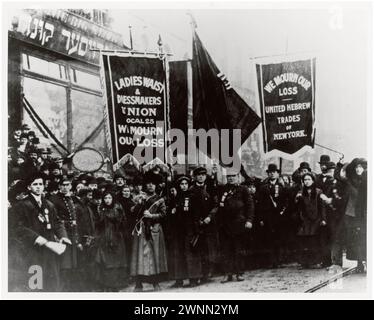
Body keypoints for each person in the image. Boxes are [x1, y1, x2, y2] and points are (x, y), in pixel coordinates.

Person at [9, 174, 67, 291]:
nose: (38, 187)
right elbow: (17, 227)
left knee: (52, 283)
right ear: (29, 187)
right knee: (35, 284)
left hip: (50, 250)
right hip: (32, 250)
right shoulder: (21, 206)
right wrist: (36, 238)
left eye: (40, 184)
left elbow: (57, 222)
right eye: (35, 184)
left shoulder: (49, 205)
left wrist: (63, 236)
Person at [130, 172, 168, 292]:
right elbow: (133, 212)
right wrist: (139, 204)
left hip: (154, 229)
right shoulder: (139, 198)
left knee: (154, 256)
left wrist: (152, 215)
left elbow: (163, 215)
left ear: (156, 186)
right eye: (148, 184)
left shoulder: (159, 200)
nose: (150, 186)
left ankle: (155, 283)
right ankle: (138, 283)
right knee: (139, 257)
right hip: (141, 230)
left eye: (153, 184)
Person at [216, 170, 254, 283]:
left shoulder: (243, 189)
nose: (231, 178)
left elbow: (250, 206)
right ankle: (227, 274)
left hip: (239, 223)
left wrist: (249, 220)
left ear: (238, 177)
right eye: (229, 176)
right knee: (226, 250)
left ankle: (239, 273)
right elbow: (219, 205)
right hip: (226, 225)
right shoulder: (222, 189)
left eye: (233, 176)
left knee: (239, 250)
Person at [49, 177, 84, 291]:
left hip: (73, 232)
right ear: (59, 186)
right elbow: (55, 219)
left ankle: (72, 286)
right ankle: (63, 288)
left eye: (67, 185)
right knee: (64, 260)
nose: (65, 187)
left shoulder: (73, 198)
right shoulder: (53, 199)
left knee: (73, 260)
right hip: (62, 233)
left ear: (70, 186)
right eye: (62, 185)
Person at [189, 166, 219, 283]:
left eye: (203, 175)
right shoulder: (191, 190)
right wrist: (197, 221)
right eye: (198, 175)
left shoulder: (211, 188)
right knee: (198, 249)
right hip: (197, 224)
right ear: (195, 177)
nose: (201, 177)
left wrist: (209, 217)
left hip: (209, 224)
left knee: (209, 248)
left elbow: (216, 205)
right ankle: (200, 274)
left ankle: (208, 273)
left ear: (205, 176)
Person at [94, 190, 128, 291]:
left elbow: (122, 221)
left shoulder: (117, 208)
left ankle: (115, 286)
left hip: (116, 237)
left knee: (116, 262)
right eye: (105, 198)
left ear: (112, 199)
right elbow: (97, 224)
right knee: (105, 262)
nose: (107, 200)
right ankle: (107, 285)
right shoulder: (101, 209)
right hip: (104, 238)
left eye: (109, 198)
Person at [257, 164, 288, 268]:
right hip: (267, 216)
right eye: (270, 172)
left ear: (278, 174)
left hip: (279, 216)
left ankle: (279, 260)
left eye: (274, 172)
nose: (272, 173)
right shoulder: (263, 187)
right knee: (268, 238)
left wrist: (282, 212)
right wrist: (261, 218)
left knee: (279, 238)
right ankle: (271, 261)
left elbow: (286, 202)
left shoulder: (282, 187)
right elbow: (260, 204)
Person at [340, 158, 367, 272]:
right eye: (356, 167)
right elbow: (341, 175)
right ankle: (359, 263)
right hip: (354, 213)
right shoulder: (351, 181)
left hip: (364, 212)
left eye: (360, 167)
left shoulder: (366, 180)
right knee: (357, 239)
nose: (358, 169)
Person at [295, 173, 327, 268]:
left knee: (315, 241)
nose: (307, 181)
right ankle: (305, 262)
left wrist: (323, 219)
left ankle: (316, 261)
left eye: (309, 179)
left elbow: (322, 207)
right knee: (305, 241)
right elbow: (297, 206)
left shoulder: (318, 192)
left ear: (313, 180)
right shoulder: (300, 192)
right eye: (305, 180)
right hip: (305, 220)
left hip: (316, 219)